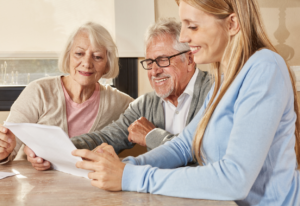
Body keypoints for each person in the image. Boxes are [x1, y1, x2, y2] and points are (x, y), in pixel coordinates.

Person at [72, 1, 300, 205]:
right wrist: (128, 166)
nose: (183, 37)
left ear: (232, 24)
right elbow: (184, 146)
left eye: (192, 26)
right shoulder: (225, 78)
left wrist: (129, 177)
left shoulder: (264, 67)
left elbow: (235, 178)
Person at [0, 22, 133, 170]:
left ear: (107, 64)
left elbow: (150, 117)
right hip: (34, 184)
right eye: (79, 54)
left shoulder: (121, 103)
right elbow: (8, 149)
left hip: (91, 187)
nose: (87, 63)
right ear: (68, 56)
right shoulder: (39, 91)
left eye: (97, 57)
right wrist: (4, 152)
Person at [71, 18, 212, 153]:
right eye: (150, 62)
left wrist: (152, 136)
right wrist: (60, 147)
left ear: (189, 60)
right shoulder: (145, 105)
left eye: (163, 60)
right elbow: (107, 138)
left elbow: (207, 152)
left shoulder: (218, 91)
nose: (154, 71)